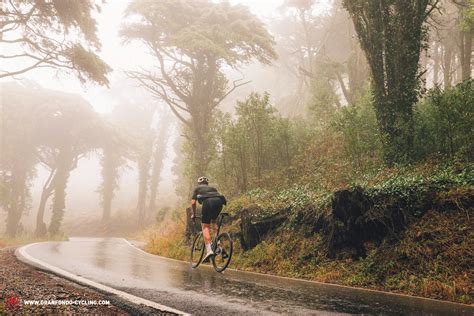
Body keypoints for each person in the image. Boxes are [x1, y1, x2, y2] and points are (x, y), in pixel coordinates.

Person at [190, 176, 226, 262]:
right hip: (219, 202)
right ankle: (219, 246)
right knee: (213, 222)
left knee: (205, 226)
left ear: (199, 183)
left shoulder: (197, 188)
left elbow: (193, 202)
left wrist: (194, 214)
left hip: (208, 203)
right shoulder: (213, 188)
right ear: (207, 184)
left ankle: (209, 250)